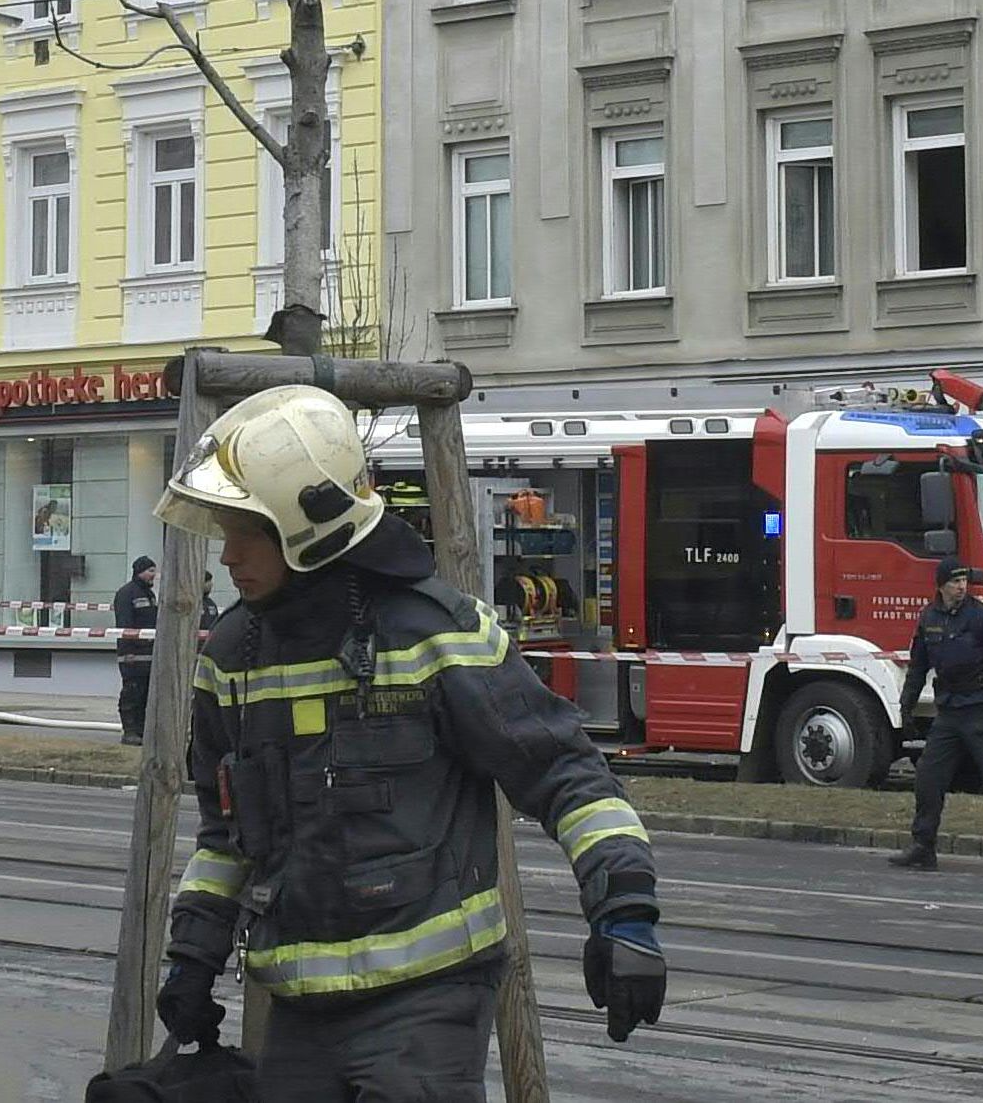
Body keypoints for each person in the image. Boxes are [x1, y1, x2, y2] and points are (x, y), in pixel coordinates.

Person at [152, 386, 665, 1103]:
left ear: (310, 528)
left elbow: (565, 772)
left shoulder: (434, 632)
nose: (227, 552)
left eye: (246, 529)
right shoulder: (233, 655)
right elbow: (226, 837)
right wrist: (191, 957)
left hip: (427, 1003)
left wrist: (624, 911)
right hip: (299, 1008)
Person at [887, 558, 983, 875]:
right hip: (949, 712)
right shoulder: (930, 617)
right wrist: (906, 707)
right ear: (941, 585)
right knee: (929, 778)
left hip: (981, 709)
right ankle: (923, 846)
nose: (961, 586)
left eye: (964, 581)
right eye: (955, 581)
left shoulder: (982, 614)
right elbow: (918, 666)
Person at [114, 555, 161, 745]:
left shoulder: (150, 595)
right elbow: (124, 625)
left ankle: (141, 731)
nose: (154, 575)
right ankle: (130, 731)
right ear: (140, 571)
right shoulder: (127, 593)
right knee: (132, 692)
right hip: (132, 654)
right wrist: (128, 652)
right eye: (150, 571)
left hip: (149, 654)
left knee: (146, 694)